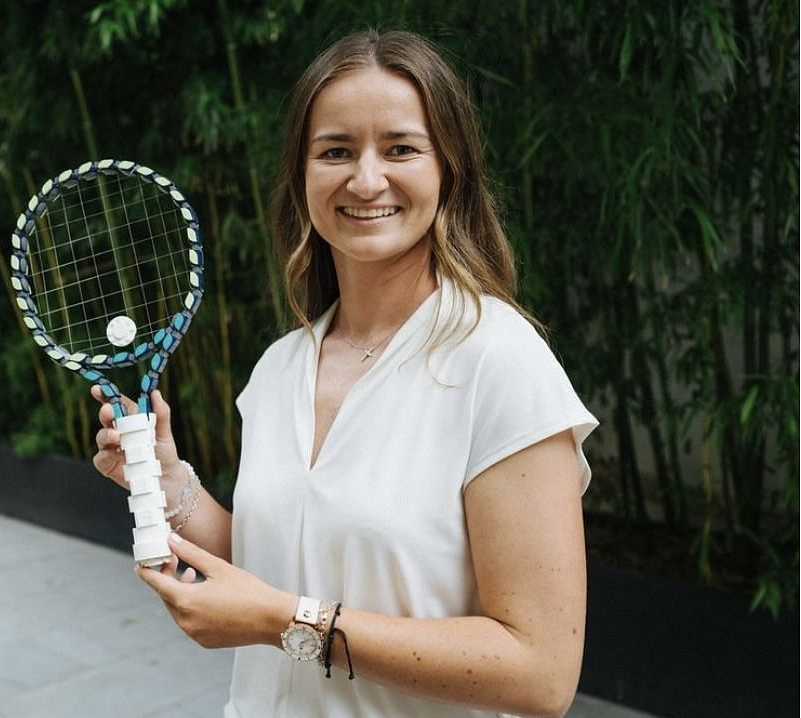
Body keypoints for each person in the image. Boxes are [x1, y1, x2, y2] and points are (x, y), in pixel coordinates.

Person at [91, 29, 597, 718]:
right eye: (335, 151)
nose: (365, 179)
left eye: (400, 148)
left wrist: (286, 623)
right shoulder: (278, 368)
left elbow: (540, 672)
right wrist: (172, 482)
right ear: (302, 177)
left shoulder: (500, 363)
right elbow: (284, 564)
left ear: (450, 169)